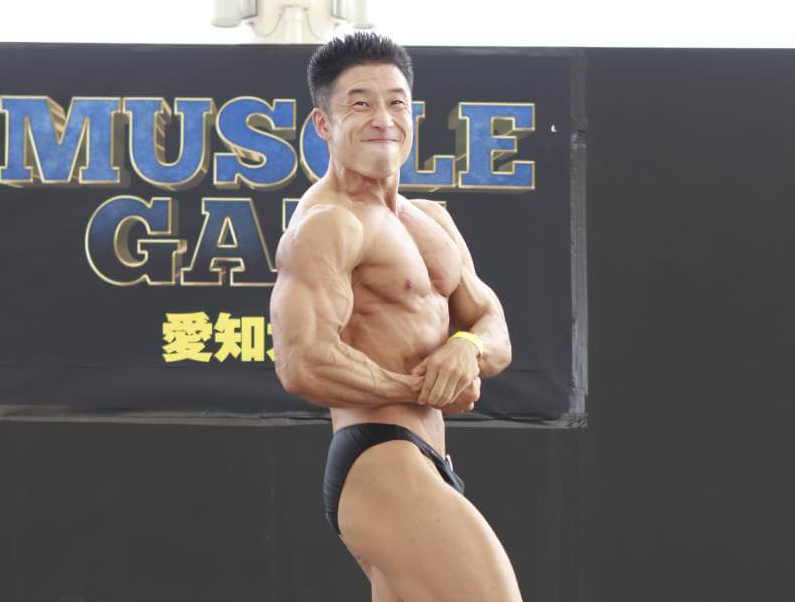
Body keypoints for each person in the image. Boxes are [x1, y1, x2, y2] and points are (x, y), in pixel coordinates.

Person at [270, 31, 524, 602]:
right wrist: (419, 387)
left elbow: (493, 325)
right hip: (380, 455)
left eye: (396, 103)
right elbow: (302, 362)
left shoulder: (431, 219)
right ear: (323, 123)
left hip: (427, 458)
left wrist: (465, 349)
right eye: (360, 103)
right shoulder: (328, 223)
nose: (382, 118)